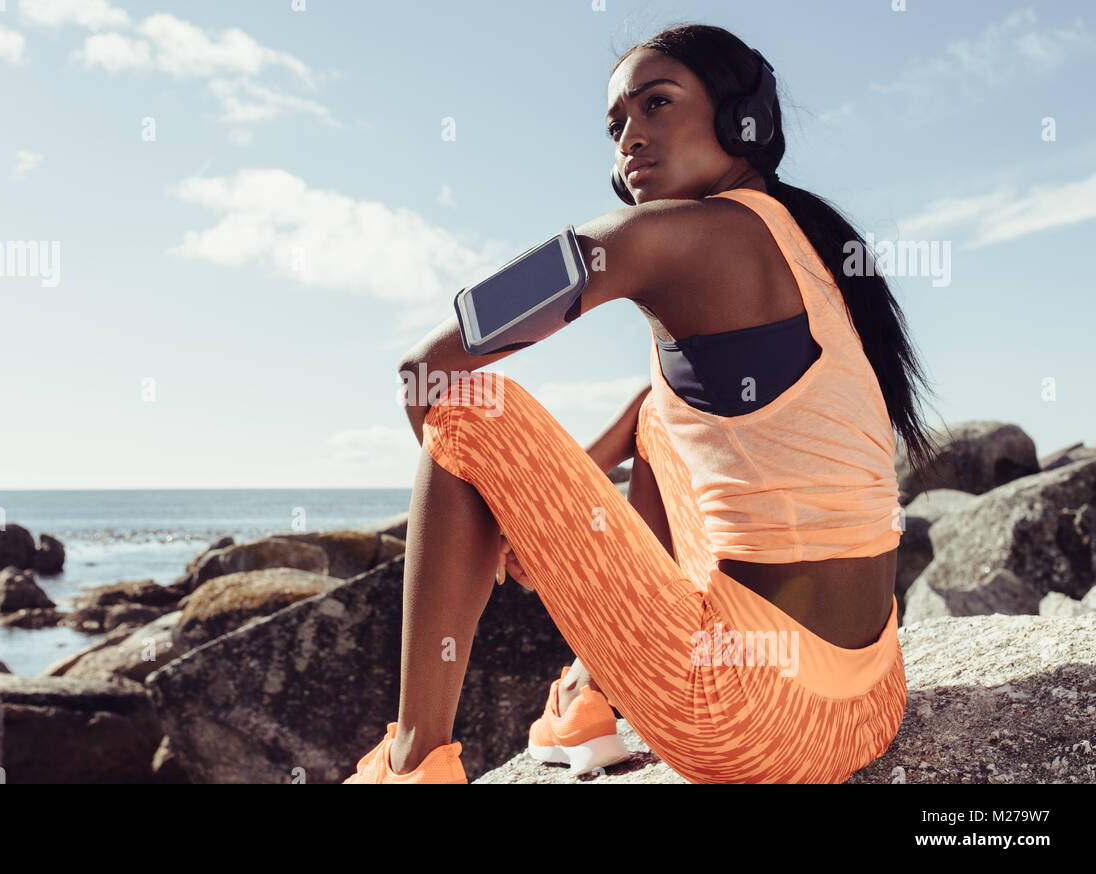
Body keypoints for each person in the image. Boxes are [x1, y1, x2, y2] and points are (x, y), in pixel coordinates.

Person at [343, 23, 941, 784]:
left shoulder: (655, 236)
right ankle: (590, 700)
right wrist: (544, 510)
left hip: (747, 719)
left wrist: (488, 516)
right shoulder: (812, 242)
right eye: (616, 125)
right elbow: (665, 410)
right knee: (661, 414)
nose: (630, 138)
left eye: (656, 105)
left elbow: (424, 366)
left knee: (462, 409)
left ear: (741, 119)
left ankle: (413, 762)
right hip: (868, 702)